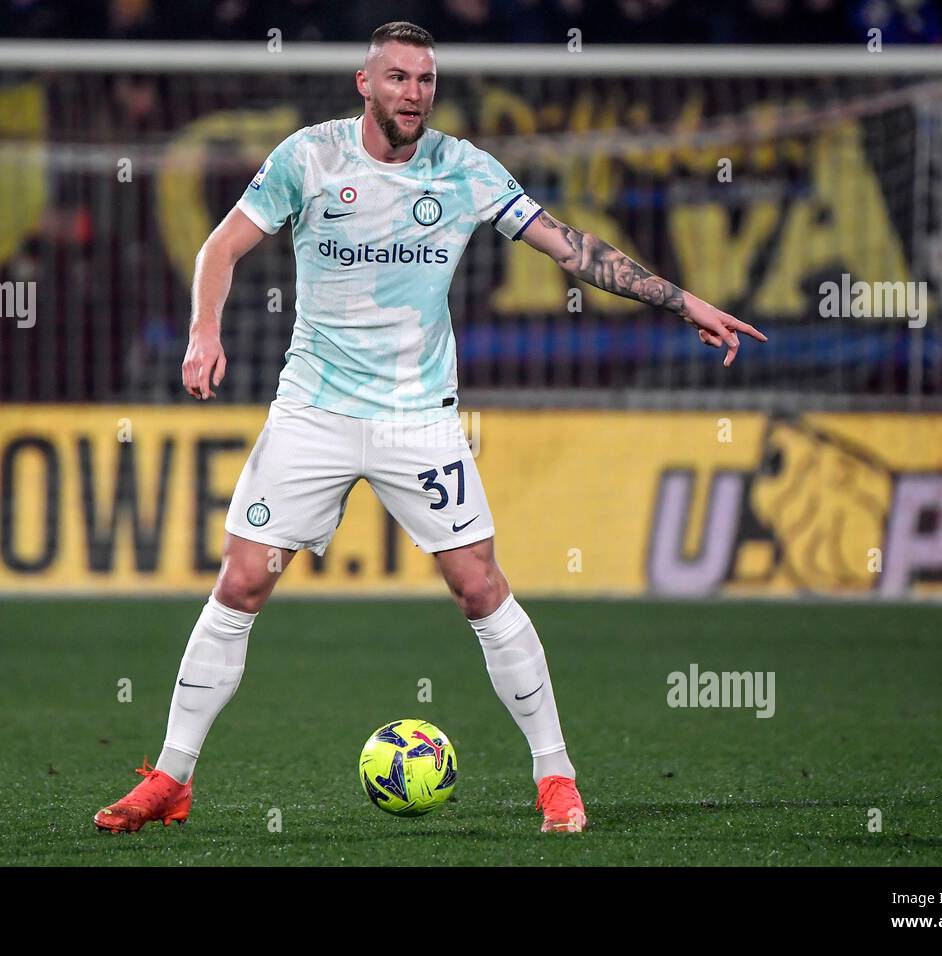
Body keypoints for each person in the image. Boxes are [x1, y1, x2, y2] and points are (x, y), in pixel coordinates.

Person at [94, 20, 766, 836]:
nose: (414, 94)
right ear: (365, 84)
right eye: (399, 78)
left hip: (420, 421)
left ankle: (556, 778)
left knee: (479, 584)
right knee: (240, 581)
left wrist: (683, 301)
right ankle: (171, 777)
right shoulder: (309, 158)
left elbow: (575, 251)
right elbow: (220, 248)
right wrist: (206, 331)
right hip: (315, 410)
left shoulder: (466, 171)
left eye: (425, 81)